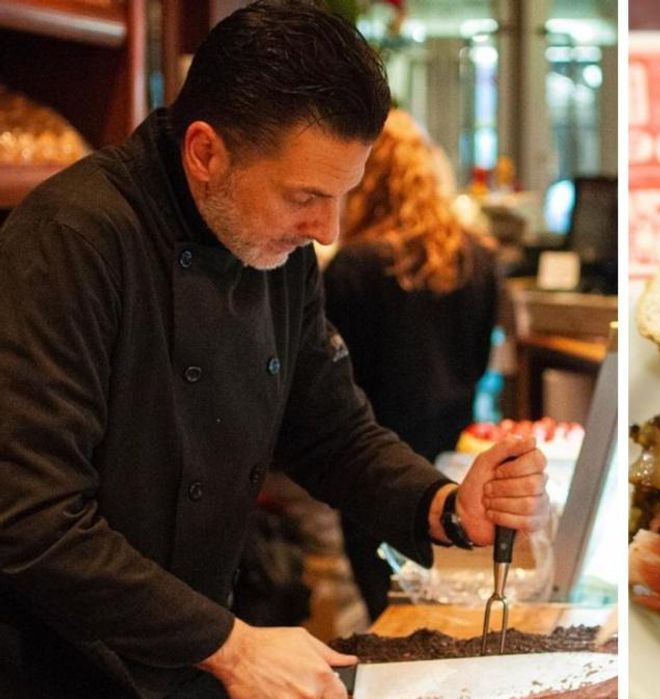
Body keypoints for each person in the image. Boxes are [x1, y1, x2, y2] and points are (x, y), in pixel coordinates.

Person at [0, 2, 549, 698]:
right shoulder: (71, 239)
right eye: (306, 197)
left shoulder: (274, 250)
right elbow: (30, 517)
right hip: (58, 668)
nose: (326, 229)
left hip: (190, 656)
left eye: (343, 197)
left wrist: (441, 505)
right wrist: (229, 644)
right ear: (205, 152)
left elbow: (332, 432)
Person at [324, 109, 500, 621]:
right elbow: (479, 361)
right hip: (454, 454)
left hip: (372, 464)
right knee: (444, 605)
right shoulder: (479, 258)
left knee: (389, 607)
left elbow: (334, 383)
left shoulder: (356, 266)